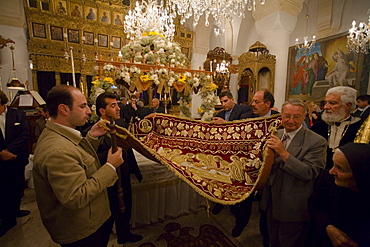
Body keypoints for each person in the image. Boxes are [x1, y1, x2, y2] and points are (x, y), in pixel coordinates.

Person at [33, 85, 123, 246]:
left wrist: (91, 138)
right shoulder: (57, 151)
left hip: (90, 220)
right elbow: (76, 196)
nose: (89, 111)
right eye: (82, 106)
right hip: (81, 230)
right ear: (64, 109)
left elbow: (77, 160)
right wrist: (110, 167)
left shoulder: (60, 134)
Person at [261, 98, 327, 246]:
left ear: (304, 116)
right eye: (287, 116)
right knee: (273, 240)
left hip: (293, 207)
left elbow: (309, 173)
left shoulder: (317, 141)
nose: (290, 121)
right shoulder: (275, 134)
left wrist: (283, 152)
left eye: (296, 117)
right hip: (271, 202)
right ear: (281, 116)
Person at [93, 92, 143, 244]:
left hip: (124, 175)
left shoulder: (120, 124)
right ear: (102, 111)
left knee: (126, 207)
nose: (118, 108)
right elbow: (93, 158)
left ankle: (124, 234)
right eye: (113, 105)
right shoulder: (93, 132)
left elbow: (128, 147)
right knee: (111, 212)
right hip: (107, 180)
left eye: (117, 104)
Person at [308, 142, 370, 246]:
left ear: (359, 175)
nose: (332, 171)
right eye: (333, 165)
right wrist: (328, 227)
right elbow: (314, 205)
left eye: (340, 169)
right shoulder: (328, 179)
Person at [211, 90, 252, 237]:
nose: (223, 104)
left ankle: (239, 217)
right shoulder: (219, 114)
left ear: (232, 99)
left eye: (225, 101)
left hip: (240, 155)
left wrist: (226, 124)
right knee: (222, 181)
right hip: (224, 155)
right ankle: (221, 202)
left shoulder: (244, 109)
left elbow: (245, 127)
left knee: (238, 183)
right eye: (221, 102)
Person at [0, 90, 30, 237]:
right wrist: (1, 152)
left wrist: (7, 150)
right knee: (3, 189)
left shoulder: (18, 115)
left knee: (17, 185)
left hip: (16, 156)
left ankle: (16, 209)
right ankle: (7, 220)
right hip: (0, 159)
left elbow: (24, 134)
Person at [311, 86, 363, 169]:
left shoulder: (360, 128)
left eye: (332, 103)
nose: (326, 107)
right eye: (326, 103)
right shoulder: (318, 127)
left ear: (347, 106)